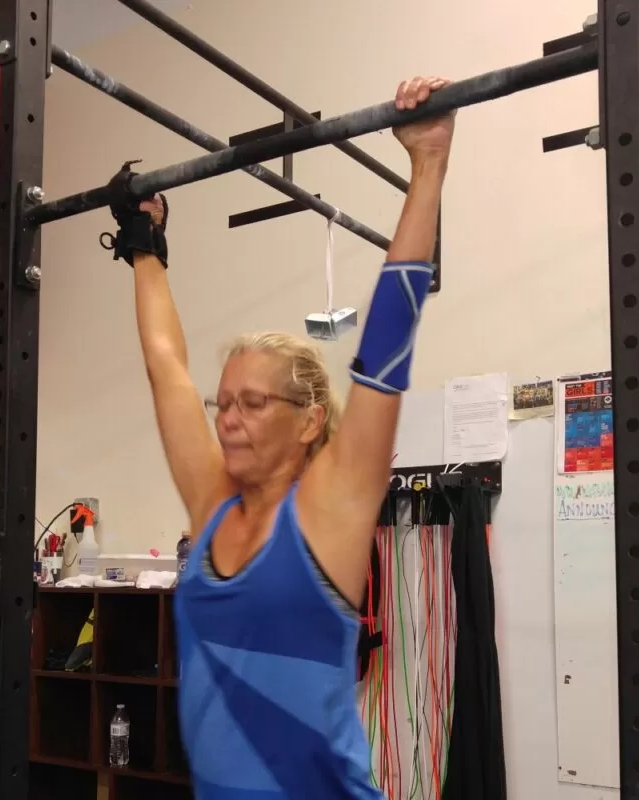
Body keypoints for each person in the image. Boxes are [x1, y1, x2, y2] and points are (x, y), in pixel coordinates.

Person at [111, 75, 454, 799]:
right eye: (225, 402)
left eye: (253, 403)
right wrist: (145, 244)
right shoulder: (213, 506)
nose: (227, 417)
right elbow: (167, 368)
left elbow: (388, 344)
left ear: (308, 421)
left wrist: (427, 164)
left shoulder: (330, 510)